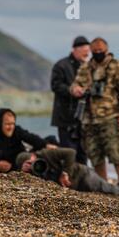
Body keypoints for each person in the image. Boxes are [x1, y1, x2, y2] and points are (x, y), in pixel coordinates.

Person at [70, 37, 119, 185]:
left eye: (101, 51)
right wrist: (77, 90)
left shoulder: (117, 66)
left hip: (110, 116)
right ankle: (103, 183)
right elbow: (74, 86)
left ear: (107, 50)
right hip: (89, 118)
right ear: (91, 51)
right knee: (94, 153)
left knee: (116, 151)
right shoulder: (86, 68)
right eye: (95, 51)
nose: (98, 53)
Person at [16, 148, 119, 200]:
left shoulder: (45, 154)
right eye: (28, 164)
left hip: (84, 175)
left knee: (112, 190)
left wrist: (65, 173)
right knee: (109, 191)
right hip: (78, 187)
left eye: (32, 161)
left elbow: (71, 152)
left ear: (33, 155)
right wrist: (25, 173)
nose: (34, 165)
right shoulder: (30, 175)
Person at [50, 36, 90, 164]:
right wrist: (71, 90)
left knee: (83, 156)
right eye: (84, 51)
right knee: (69, 155)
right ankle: (67, 183)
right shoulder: (61, 65)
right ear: (75, 49)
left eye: (88, 51)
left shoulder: (89, 68)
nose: (87, 54)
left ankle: (81, 183)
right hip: (65, 118)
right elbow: (55, 85)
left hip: (83, 120)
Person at [0, 108, 57, 173]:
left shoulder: (16, 130)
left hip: (22, 159)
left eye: (13, 123)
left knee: (51, 139)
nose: (11, 127)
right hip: (12, 167)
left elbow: (30, 137)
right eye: (7, 124)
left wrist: (46, 144)